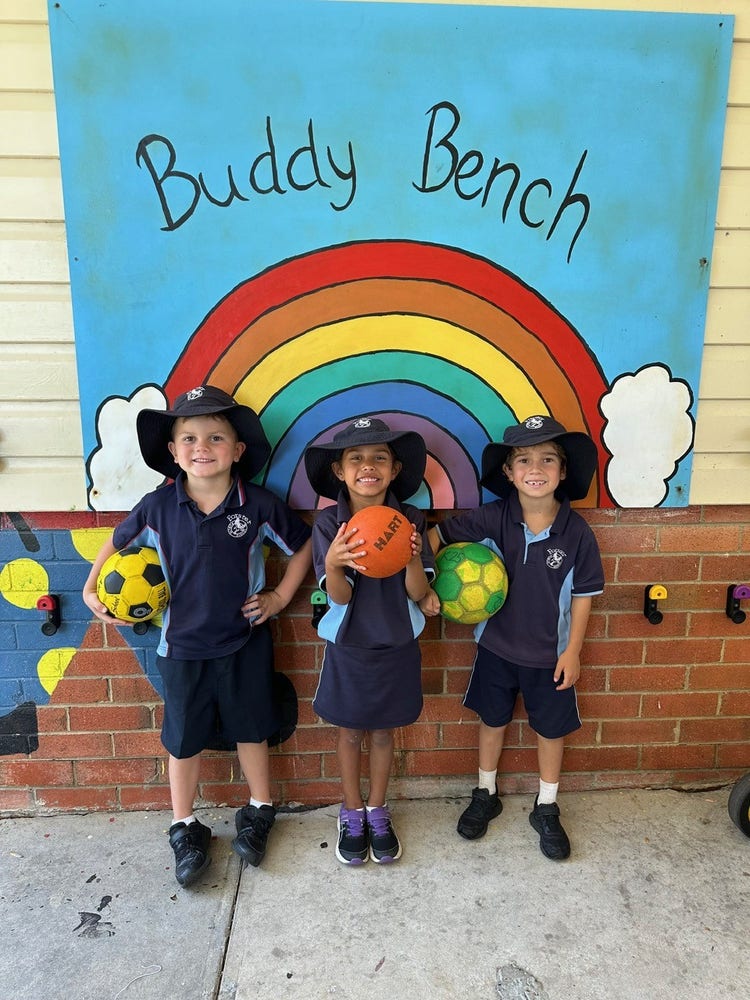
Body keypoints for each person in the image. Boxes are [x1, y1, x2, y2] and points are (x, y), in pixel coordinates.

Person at [83, 386, 312, 887]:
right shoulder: (157, 507)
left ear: (237, 450)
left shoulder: (258, 506)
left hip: (245, 641)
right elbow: (116, 540)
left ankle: (259, 809)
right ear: (172, 450)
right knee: (183, 738)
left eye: (214, 436)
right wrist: (89, 586)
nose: (200, 446)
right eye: (188, 437)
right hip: (181, 647)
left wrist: (278, 598)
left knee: (252, 728)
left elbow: (303, 547)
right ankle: (184, 825)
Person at [428, 415, 603, 860]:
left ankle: (546, 805)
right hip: (495, 650)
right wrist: (425, 584)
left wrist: (573, 651)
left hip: (551, 656)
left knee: (551, 729)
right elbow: (434, 537)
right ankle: (486, 792)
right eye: (523, 459)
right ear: (508, 472)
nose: (536, 468)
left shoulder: (577, 532)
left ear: (563, 472)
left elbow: (583, 596)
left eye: (548, 459)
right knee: (492, 721)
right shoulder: (493, 517)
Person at [304, 417, 440, 865]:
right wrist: (334, 562)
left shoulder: (412, 519)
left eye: (379, 457)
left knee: (384, 732)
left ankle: (378, 809)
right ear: (339, 472)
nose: (368, 466)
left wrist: (412, 556)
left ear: (395, 469)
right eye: (356, 459)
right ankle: (351, 811)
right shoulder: (329, 523)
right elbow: (338, 596)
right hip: (350, 646)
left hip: (398, 642)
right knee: (349, 732)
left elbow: (419, 594)